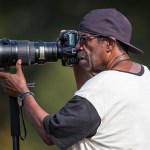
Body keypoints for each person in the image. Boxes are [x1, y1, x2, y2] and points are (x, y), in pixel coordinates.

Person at [0, 8, 150, 150]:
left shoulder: (102, 87)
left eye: (84, 39)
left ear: (109, 44)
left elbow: (51, 133)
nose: (78, 46)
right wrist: (75, 61)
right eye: (77, 40)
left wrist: (23, 92)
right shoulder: (145, 77)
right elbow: (92, 114)